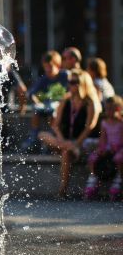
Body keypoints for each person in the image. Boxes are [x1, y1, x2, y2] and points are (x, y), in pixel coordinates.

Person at [38, 69, 101, 198]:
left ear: (83, 83)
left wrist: (76, 144)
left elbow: (89, 127)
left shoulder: (90, 103)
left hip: (83, 142)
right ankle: (69, 147)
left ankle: (62, 190)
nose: (72, 85)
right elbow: (55, 125)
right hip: (65, 141)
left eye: (75, 82)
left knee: (66, 153)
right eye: (70, 82)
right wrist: (64, 142)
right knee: (42, 135)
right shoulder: (66, 100)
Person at [20, 51, 68, 152]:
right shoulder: (44, 79)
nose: (47, 70)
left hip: (62, 106)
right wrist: (36, 101)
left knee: (53, 114)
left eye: (50, 67)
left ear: (58, 65)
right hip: (47, 105)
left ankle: (52, 135)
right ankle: (34, 135)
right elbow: (31, 92)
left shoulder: (65, 76)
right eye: (45, 67)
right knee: (36, 110)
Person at [84, 96, 123, 200]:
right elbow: (103, 139)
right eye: (107, 109)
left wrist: (115, 149)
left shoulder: (121, 123)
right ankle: (94, 179)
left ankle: (118, 181)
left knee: (118, 158)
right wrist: (102, 149)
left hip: (119, 148)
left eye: (111, 109)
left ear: (118, 109)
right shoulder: (104, 123)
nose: (108, 111)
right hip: (108, 147)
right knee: (93, 157)